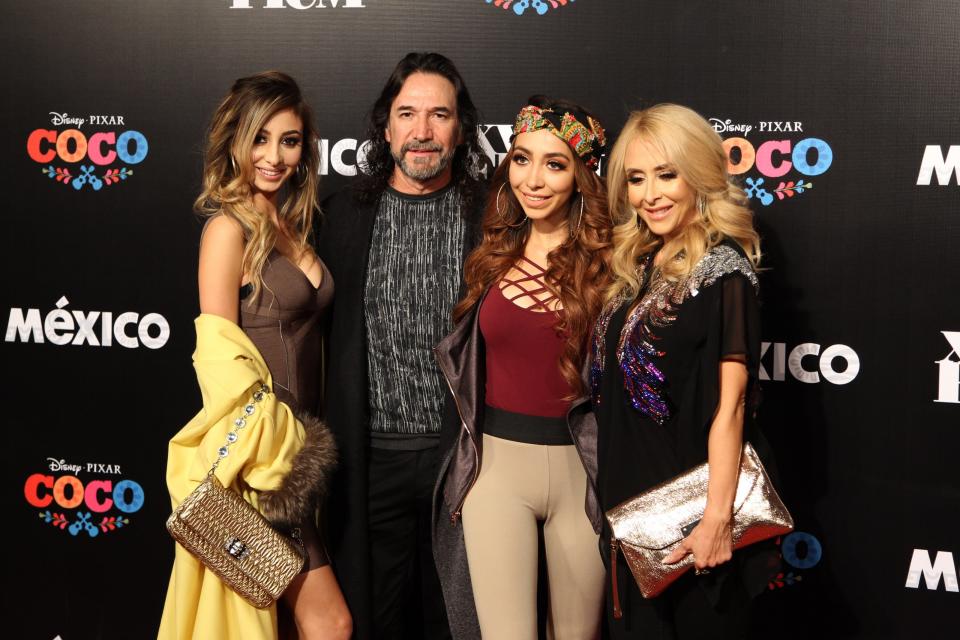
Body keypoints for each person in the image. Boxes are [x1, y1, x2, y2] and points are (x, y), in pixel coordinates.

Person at [159, 71, 351, 640]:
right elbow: (218, 361)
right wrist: (272, 454)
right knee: (329, 623)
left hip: (304, 458)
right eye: (259, 138)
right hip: (264, 467)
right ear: (235, 141)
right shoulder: (227, 229)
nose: (273, 156)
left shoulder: (289, 225)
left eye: (288, 140)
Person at [591, 103, 778, 639]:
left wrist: (717, 520)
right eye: (636, 178)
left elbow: (733, 405)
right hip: (633, 513)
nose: (650, 194)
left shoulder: (725, 271)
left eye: (667, 175)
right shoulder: (642, 261)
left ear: (698, 174)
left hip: (694, 516)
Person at [316, 52, 484, 640]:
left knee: (460, 622)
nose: (422, 131)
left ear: (461, 130)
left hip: (464, 465)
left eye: (440, 115)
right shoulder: (341, 216)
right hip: (370, 462)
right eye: (407, 113)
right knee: (375, 620)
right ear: (384, 127)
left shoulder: (491, 215)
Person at [433, 97, 612, 640]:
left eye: (555, 164)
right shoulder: (492, 253)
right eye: (521, 158)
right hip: (497, 474)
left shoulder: (611, 266)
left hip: (584, 476)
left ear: (582, 178)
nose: (533, 179)